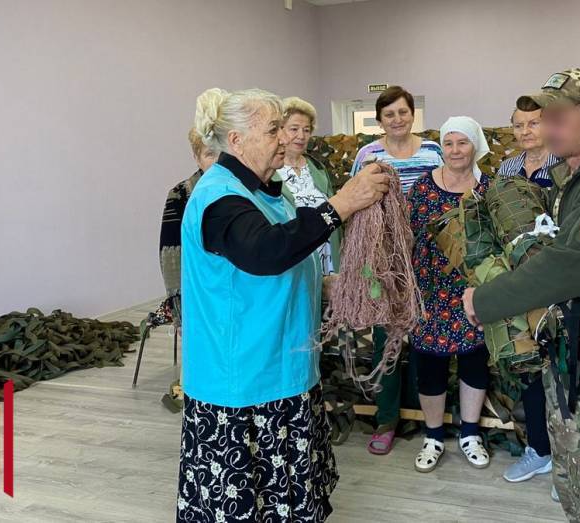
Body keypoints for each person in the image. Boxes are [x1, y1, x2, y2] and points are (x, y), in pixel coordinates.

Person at [178, 87, 389, 522]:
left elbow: (287, 258)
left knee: (286, 501)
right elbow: (266, 252)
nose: (285, 138)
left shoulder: (269, 192)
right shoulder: (219, 199)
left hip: (283, 369)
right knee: (244, 503)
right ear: (236, 140)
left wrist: (325, 284)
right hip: (243, 383)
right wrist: (342, 204)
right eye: (273, 129)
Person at [462, 69, 580, 522]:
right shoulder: (574, 178)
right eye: (544, 117)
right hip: (570, 362)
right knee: (575, 493)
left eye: (558, 117)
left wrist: (483, 301)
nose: (547, 128)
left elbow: (566, 267)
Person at [350, 85, 444, 455]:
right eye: (389, 114)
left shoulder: (433, 150)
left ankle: (422, 416)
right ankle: (387, 419)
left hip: (427, 257)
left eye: (403, 112)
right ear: (379, 120)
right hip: (383, 260)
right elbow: (355, 200)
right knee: (385, 338)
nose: (397, 119)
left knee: (423, 335)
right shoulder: (368, 154)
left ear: (412, 114)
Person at [407, 116, 492, 473]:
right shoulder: (423, 187)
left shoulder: (488, 188)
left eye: (462, 143)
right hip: (428, 289)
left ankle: (470, 435)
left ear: (476, 146)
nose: (455, 150)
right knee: (430, 363)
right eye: (449, 143)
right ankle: (434, 437)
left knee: (474, 359)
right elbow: (407, 236)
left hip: (473, 290)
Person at [497, 106, 559, 485]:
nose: (526, 131)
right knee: (530, 366)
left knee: (565, 368)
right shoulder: (506, 170)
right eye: (518, 125)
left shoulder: (564, 164)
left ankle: (568, 459)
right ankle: (539, 449)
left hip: (561, 282)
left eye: (533, 123)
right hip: (520, 285)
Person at [158, 128, 219, 326]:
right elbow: (170, 254)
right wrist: (179, 309)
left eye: (223, 153)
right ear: (197, 158)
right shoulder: (181, 194)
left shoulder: (244, 190)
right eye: (210, 154)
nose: (218, 161)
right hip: (200, 291)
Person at [276, 96, 341, 275]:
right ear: (279, 130)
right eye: (294, 129)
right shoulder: (271, 170)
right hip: (296, 260)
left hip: (328, 258)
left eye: (306, 130)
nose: (301, 136)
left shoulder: (317, 167)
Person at [497, 107, 559, 188]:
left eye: (534, 123)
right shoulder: (507, 167)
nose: (524, 132)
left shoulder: (565, 167)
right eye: (518, 126)